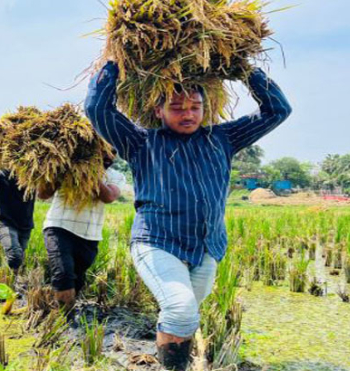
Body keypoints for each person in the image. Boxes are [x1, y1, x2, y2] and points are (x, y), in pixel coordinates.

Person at [85, 61, 292, 370]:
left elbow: (277, 110)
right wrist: (115, 66)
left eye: (195, 107)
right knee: (181, 309)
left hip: (208, 246)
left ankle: (167, 358)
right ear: (159, 111)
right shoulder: (141, 142)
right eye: (177, 107)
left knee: (182, 312)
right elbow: (97, 109)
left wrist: (248, 71)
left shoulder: (223, 138)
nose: (188, 114)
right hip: (157, 241)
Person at [38, 150, 124, 311]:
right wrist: (57, 170)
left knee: (77, 280)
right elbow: (42, 194)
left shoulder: (116, 176)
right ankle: (65, 321)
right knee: (63, 274)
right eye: (104, 152)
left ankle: (56, 308)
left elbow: (109, 197)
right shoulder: (66, 168)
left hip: (90, 234)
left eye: (112, 153)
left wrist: (88, 172)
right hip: (59, 226)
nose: (108, 156)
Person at [0, 156, 36, 276]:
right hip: (5, 223)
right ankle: (4, 280)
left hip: (25, 226)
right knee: (15, 256)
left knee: (18, 260)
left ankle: (10, 286)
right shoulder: (3, 176)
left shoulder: (33, 178)